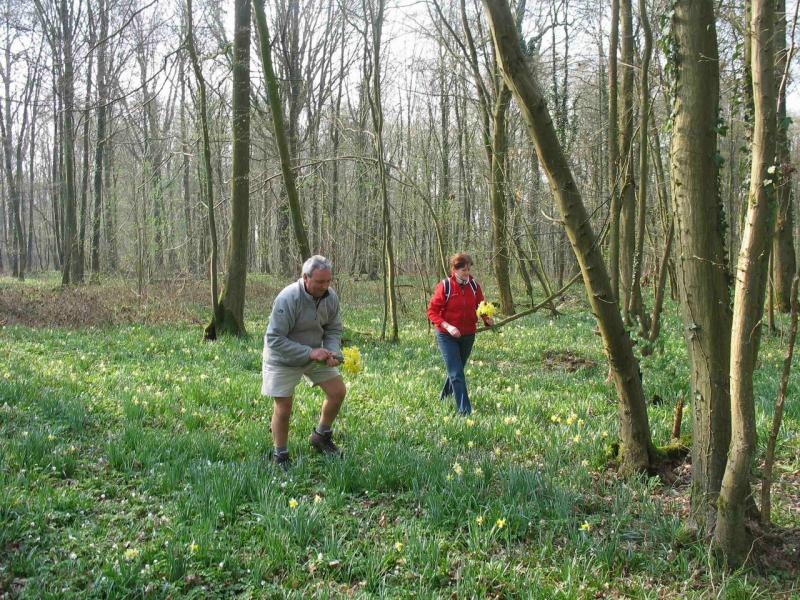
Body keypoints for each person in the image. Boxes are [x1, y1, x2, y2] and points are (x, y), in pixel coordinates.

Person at [262, 255, 346, 468]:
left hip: (314, 353)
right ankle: (280, 455)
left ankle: (321, 436)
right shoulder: (288, 298)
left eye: (328, 281)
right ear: (305, 278)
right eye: (319, 282)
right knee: (284, 407)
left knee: (337, 391)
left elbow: (333, 328)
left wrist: (333, 352)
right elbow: (274, 339)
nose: (325, 286)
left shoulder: (330, 297)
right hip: (283, 357)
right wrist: (309, 353)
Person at [427, 253, 494, 415]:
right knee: (456, 373)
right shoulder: (445, 286)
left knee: (456, 370)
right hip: (446, 335)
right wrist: (448, 326)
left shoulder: (474, 286)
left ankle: (444, 397)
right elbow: (432, 311)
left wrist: (487, 319)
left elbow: (481, 306)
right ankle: (465, 412)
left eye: (469, 269)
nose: (467, 273)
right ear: (454, 269)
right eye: (464, 270)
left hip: (468, 334)